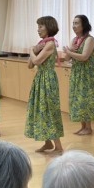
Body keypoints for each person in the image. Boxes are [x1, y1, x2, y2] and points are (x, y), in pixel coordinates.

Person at [62, 14, 94, 135]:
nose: (74, 26)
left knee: (86, 99)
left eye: (76, 23)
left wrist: (69, 51)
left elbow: (84, 57)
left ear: (84, 25)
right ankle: (83, 127)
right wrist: (70, 51)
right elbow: (66, 58)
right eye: (73, 23)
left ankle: (88, 127)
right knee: (78, 99)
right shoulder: (74, 40)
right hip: (77, 73)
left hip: (88, 74)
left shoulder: (89, 39)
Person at [25, 15, 64, 153]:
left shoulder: (50, 44)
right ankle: (48, 143)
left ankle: (58, 147)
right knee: (40, 110)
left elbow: (36, 61)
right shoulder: (42, 43)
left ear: (49, 27)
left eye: (41, 26)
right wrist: (34, 50)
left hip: (48, 79)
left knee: (50, 111)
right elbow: (30, 65)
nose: (38, 29)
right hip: (40, 78)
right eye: (38, 26)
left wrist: (32, 50)